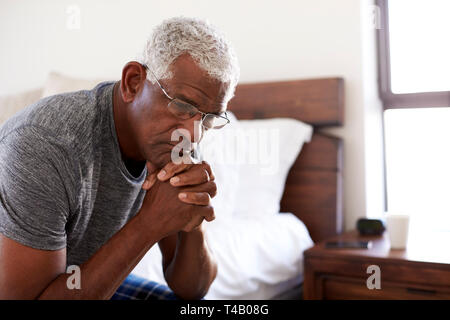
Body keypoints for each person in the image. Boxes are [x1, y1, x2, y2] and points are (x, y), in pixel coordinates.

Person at [0, 16, 240, 300]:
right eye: (182, 106)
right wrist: (150, 223)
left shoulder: (179, 138)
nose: (195, 134)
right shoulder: (47, 143)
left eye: (209, 120)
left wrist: (192, 213)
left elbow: (191, 290)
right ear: (133, 83)